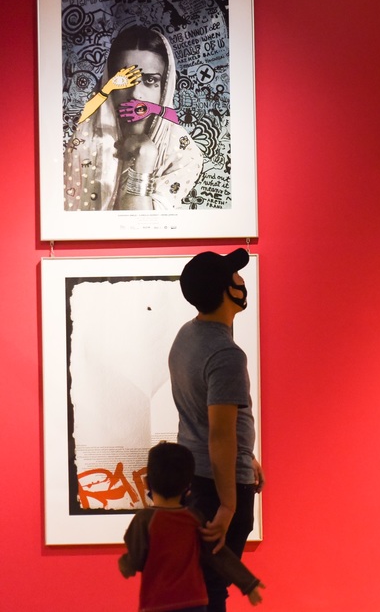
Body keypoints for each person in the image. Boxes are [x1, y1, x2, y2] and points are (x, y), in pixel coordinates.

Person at [170, 248, 264, 612]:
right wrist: (228, 505)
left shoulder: (187, 335)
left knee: (201, 584)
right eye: (235, 276)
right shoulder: (225, 354)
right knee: (211, 589)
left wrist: (246, 455)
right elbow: (220, 434)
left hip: (194, 478)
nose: (242, 280)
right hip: (218, 487)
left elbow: (199, 413)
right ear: (227, 291)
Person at [64, 24, 202, 211]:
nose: (136, 94)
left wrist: (143, 161)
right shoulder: (84, 141)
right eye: (124, 80)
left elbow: (146, 226)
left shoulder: (182, 152)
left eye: (150, 80)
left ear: (165, 87)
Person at [118, 442, 264, 611]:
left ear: (146, 483)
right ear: (189, 487)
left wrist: (126, 564)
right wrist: (248, 583)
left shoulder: (144, 519)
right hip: (195, 602)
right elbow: (218, 553)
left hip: (157, 602)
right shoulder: (194, 519)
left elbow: (135, 557)